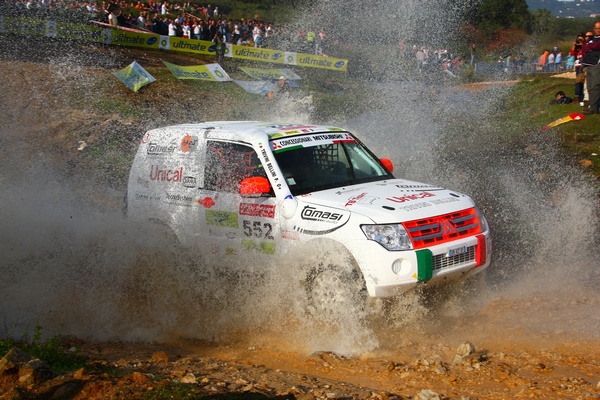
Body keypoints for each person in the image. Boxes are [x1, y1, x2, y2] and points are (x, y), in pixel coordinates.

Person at [581, 21, 600, 114]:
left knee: (595, 86)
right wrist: (589, 46)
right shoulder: (591, 39)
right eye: (596, 28)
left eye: (599, 28)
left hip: (597, 64)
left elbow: (597, 46)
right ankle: (592, 106)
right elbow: (584, 48)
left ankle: (594, 108)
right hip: (589, 64)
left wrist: (589, 46)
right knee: (590, 87)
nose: (598, 30)